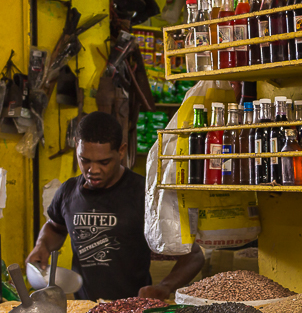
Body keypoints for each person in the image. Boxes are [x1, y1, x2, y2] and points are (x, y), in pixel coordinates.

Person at [26, 111, 204, 301]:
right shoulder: (68, 191)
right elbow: (55, 226)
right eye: (84, 160)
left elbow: (194, 256)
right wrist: (41, 245)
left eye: (103, 162)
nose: (92, 170)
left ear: (121, 151)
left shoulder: (145, 194)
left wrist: (164, 287)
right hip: (86, 311)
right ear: (77, 145)